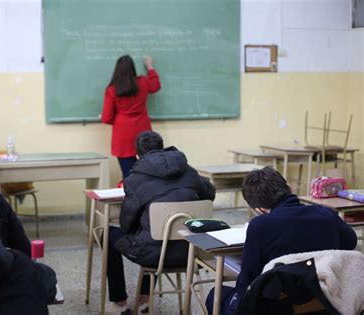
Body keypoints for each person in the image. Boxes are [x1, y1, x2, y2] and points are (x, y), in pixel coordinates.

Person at [206, 166, 358, 315]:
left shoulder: (260, 225)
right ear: (290, 189)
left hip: (280, 306)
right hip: (326, 302)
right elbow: (350, 243)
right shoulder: (326, 213)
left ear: (259, 209)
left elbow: (247, 281)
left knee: (216, 296)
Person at [107, 131, 216, 313]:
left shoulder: (135, 179)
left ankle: (119, 302)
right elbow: (210, 194)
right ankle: (144, 298)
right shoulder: (188, 171)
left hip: (156, 255)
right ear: (162, 148)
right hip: (193, 251)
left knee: (110, 234)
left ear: (136, 155)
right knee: (155, 231)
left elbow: (127, 225)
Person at [101, 55, 161, 179]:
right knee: (148, 174)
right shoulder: (143, 82)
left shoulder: (112, 90)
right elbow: (156, 86)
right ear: (133, 68)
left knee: (128, 175)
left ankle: (131, 197)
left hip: (122, 137)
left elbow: (106, 118)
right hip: (143, 133)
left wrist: (117, 120)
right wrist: (150, 67)